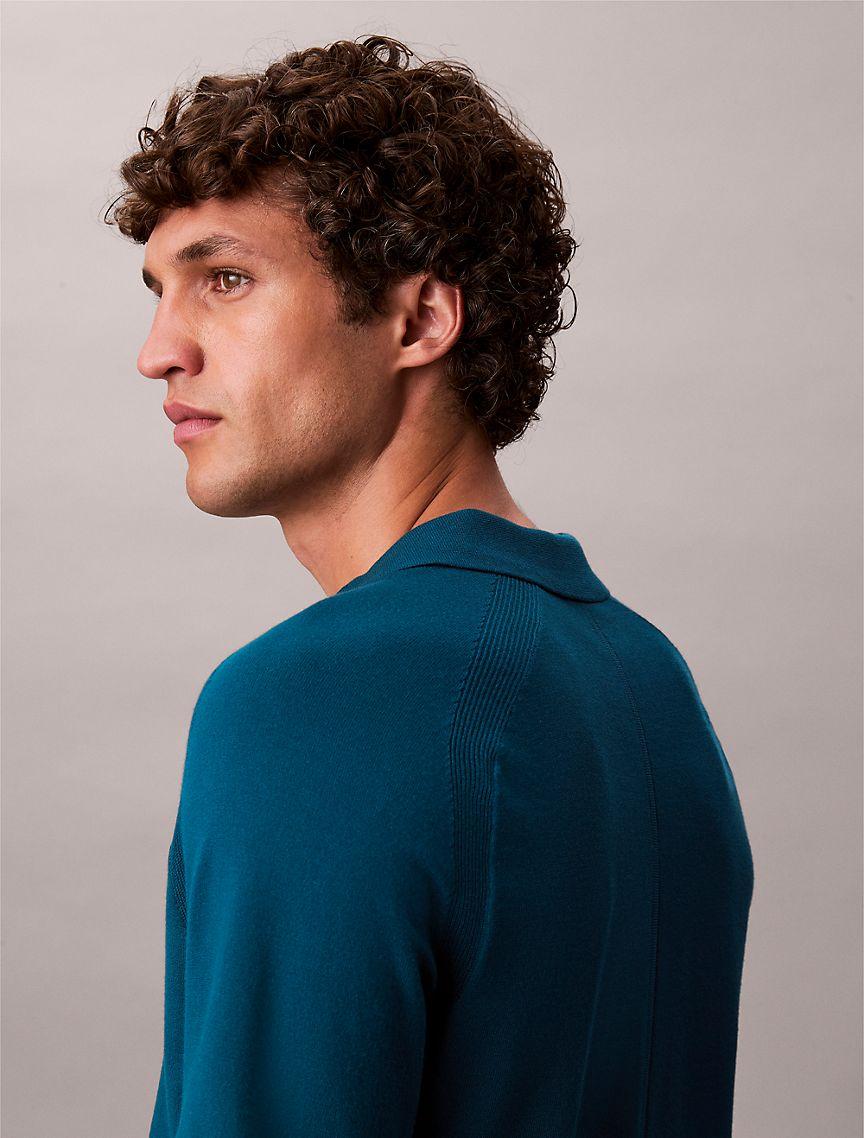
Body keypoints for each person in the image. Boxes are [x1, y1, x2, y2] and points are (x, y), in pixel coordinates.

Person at [105, 34, 754, 1138]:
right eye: (161, 291)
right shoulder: (650, 681)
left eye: (226, 280)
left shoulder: (314, 698)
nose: (159, 350)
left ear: (419, 320)